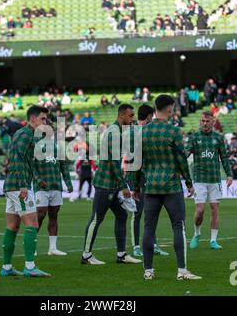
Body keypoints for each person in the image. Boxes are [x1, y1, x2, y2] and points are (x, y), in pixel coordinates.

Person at [129, 94, 200, 281]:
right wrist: (189, 182)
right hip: (171, 186)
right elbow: (181, 160)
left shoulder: (141, 132)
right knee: (178, 227)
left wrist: (136, 187)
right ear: (169, 108)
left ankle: (148, 271)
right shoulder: (173, 131)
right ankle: (182, 271)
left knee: (148, 228)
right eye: (173, 107)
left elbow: (136, 163)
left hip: (151, 186)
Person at [81, 104, 141, 265]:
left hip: (111, 183)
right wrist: (123, 186)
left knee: (121, 215)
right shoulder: (114, 133)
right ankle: (86, 256)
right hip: (106, 183)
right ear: (121, 116)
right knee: (96, 219)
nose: (132, 118)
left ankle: (121, 254)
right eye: (130, 115)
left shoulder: (118, 132)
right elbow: (114, 163)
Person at [0, 106, 51, 277]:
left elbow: (27, 162)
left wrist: (36, 180)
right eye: (43, 119)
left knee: (12, 226)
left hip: (12, 185)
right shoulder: (26, 134)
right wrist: (24, 184)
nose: (46, 122)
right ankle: (30, 267)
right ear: (33, 119)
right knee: (33, 224)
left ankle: (6, 267)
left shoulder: (26, 134)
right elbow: (18, 159)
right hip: (18, 186)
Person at [126, 104, 168, 258]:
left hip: (147, 174)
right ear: (150, 116)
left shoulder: (137, 131)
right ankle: (136, 246)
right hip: (134, 175)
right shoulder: (133, 132)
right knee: (137, 211)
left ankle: (153, 245)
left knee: (151, 211)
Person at [186, 111, 233, 250]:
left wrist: (229, 175)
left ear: (213, 122)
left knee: (215, 209)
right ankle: (197, 233)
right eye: (202, 121)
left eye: (207, 121)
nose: (204, 123)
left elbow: (224, 157)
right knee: (200, 211)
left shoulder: (218, 138)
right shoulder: (194, 137)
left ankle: (213, 240)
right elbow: (186, 153)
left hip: (215, 179)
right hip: (199, 179)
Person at [34, 119, 74, 256]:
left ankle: (53, 248)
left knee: (53, 215)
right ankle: (32, 245)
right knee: (40, 214)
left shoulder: (58, 147)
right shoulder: (37, 146)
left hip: (56, 185)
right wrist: (38, 180)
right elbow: (32, 167)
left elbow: (64, 166)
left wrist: (68, 183)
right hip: (41, 187)